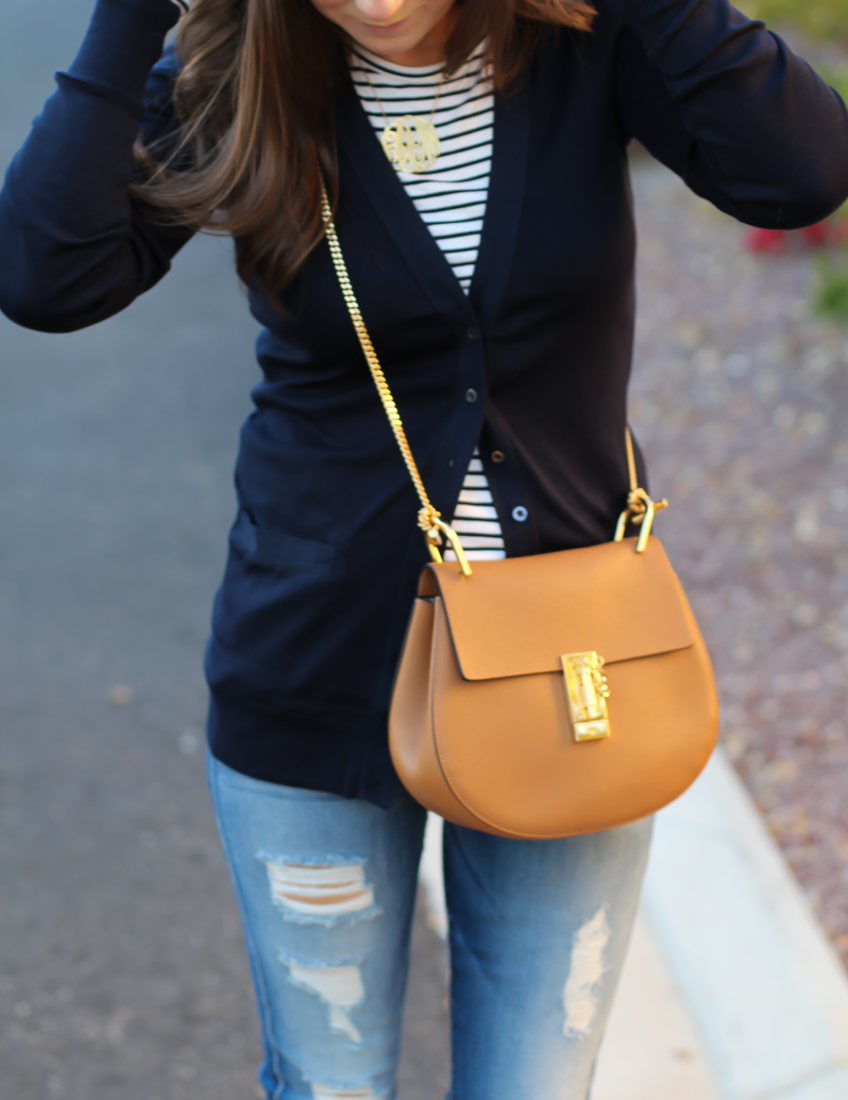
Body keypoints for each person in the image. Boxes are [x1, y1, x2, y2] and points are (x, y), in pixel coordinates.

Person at [1, 0, 846, 1096]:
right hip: (314, 666)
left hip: (566, 677)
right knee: (329, 1081)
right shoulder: (239, 67)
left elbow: (799, 171)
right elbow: (47, 277)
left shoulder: (587, 43)